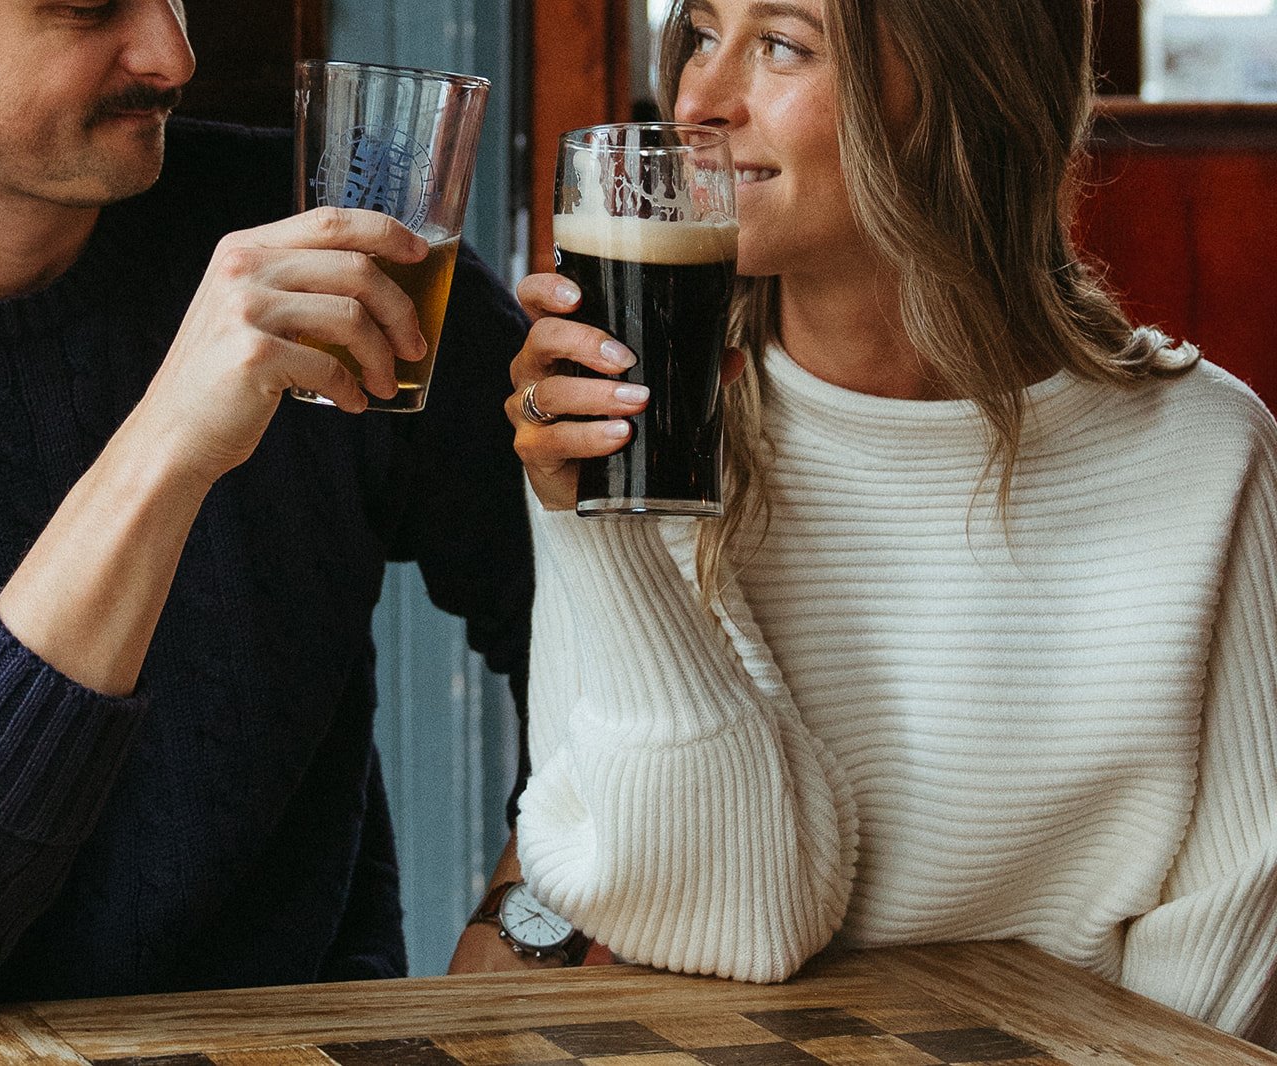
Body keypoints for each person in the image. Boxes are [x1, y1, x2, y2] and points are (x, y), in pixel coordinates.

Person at [0, 1, 534, 1062]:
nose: (173, 55)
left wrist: (525, 932)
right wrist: (166, 441)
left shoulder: (313, 247)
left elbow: (608, 638)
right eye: (88, 7)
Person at [506, 0, 1277, 1047]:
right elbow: (731, 922)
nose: (695, 100)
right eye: (698, 34)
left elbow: (1214, 988)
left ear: (964, 86)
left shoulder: (1211, 457)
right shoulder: (647, 434)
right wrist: (599, 527)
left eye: (780, 43)